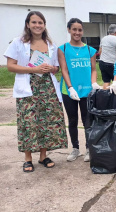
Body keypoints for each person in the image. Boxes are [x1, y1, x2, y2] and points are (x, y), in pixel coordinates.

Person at [3, 11, 68, 172]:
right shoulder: (18, 42)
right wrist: (33, 69)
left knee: (46, 122)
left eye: (40, 22)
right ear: (28, 24)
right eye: (34, 22)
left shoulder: (50, 45)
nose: (37, 25)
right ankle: (27, 158)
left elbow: (56, 67)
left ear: (44, 25)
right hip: (28, 88)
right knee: (28, 122)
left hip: (47, 88)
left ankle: (43, 156)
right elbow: (11, 66)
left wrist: (52, 68)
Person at [58, 18, 100, 162]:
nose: (77, 32)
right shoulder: (63, 49)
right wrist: (70, 87)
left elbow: (94, 70)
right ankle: (75, 148)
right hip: (69, 91)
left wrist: (94, 83)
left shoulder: (90, 50)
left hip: (86, 90)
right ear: (69, 30)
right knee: (72, 119)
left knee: (87, 120)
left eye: (80, 29)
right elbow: (64, 70)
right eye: (74, 29)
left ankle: (89, 148)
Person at [99, 24, 116, 89]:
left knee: (106, 81)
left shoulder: (103, 38)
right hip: (112, 63)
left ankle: (105, 96)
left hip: (102, 62)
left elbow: (100, 51)